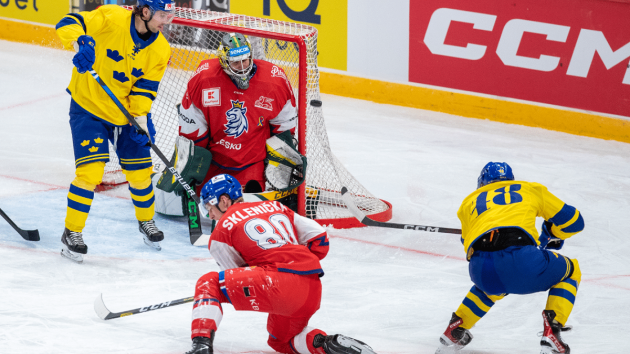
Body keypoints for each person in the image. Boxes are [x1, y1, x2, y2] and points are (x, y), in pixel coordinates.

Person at [183, 174, 377, 354]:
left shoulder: (221, 232)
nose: (210, 216)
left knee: (209, 284)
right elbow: (320, 238)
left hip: (277, 284)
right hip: (311, 286)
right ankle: (327, 344)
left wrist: (210, 298)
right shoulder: (275, 206)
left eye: (210, 208)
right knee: (281, 341)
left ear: (224, 201)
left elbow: (236, 276)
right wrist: (295, 262)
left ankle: (201, 346)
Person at [55, 0, 174, 262]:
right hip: (88, 108)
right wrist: (79, 43)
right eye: (163, 15)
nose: (167, 21)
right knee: (90, 173)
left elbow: (144, 88)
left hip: (126, 116)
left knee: (141, 173)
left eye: (170, 15)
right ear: (145, 12)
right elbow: (68, 22)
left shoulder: (161, 49)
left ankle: (146, 222)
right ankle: (71, 232)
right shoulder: (111, 17)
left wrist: (140, 120)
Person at [435, 162, 584, 354]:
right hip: (521, 261)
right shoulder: (529, 189)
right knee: (571, 270)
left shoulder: (468, 203)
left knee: (491, 281)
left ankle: (455, 330)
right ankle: (552, 331)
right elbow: (574, 222)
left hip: (480, 270)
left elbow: (468, 245)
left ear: (482, 183)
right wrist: (551, 232)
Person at [176, 32, 298, 194]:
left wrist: (278, 163)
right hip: (213, 160)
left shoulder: (275, 82)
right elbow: (193, 127)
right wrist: (191, 163)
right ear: (224, 61)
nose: (242, 66)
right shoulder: (204, 79)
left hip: (252, 163)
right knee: (208, 203)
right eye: (235, 63)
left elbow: (284, 130)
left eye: (245, 60)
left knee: (248, 205)